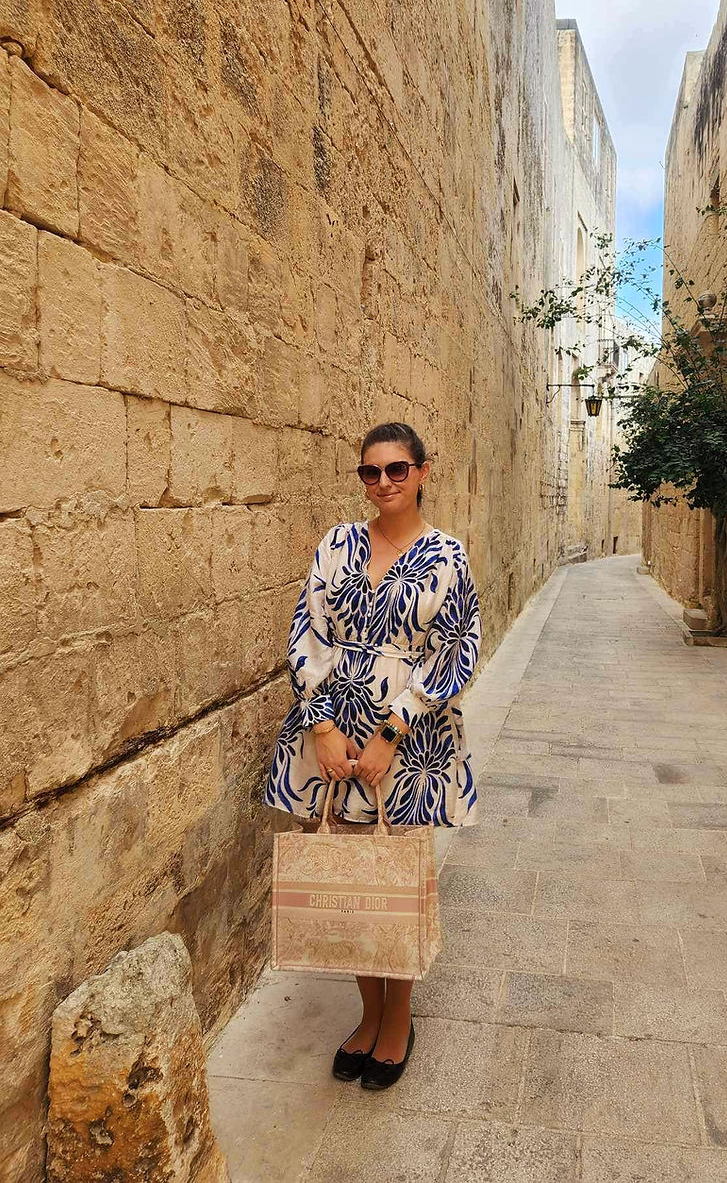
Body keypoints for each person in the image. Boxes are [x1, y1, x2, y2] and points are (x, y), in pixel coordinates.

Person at [262, 421, 481, 1089]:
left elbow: (458, 648)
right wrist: (322, 725)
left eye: (396, 469)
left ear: (422, 471)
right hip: (332, 738)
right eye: (370, 471)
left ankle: (398, 1019)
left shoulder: (447, 555)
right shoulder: (337, 543)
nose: (382, 482)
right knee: (352, 882)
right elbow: (308, 631)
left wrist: (392, 732)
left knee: (397, 878)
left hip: (408, 748)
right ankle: (366, 1012)